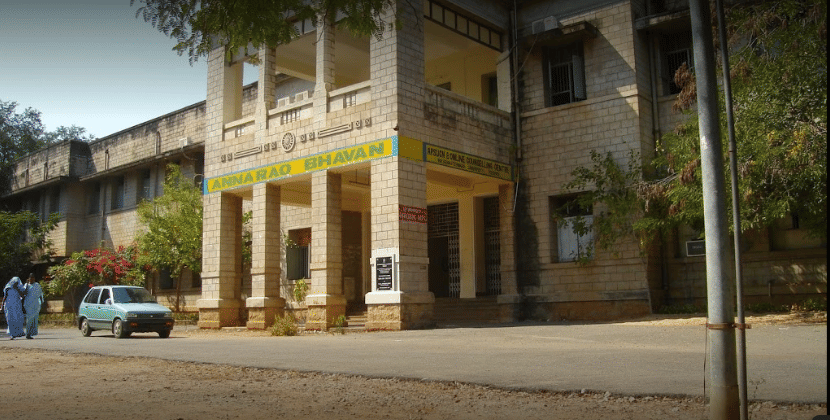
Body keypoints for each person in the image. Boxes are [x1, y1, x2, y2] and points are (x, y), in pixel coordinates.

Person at [23, 273, 43, 339]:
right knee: (29, 319)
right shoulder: (26, 285)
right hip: (28, 304)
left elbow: (40, 294)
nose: (31, 279)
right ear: (28, 278)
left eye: (33, 278)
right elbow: (24, 293)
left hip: (36, 304)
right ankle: (27, 334)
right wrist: (26, 285)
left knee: (35, 319)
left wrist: (41, 302)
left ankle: (32, 333)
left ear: (34, 278)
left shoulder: (37, 285)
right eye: (30, 278)